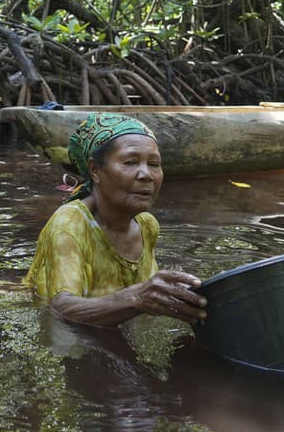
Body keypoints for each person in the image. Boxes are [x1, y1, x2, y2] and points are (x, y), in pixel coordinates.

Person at [24, 113, 207, 326]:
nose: (146, 175)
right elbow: (60, 308)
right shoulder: (69, 226)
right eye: (130, 162)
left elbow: (147, 303)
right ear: (95, 170)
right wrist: (137, 297)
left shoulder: (147, 225)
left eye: (154, 164)